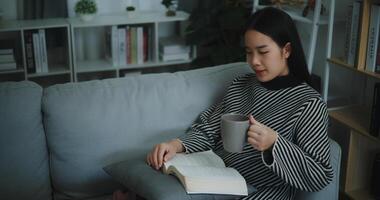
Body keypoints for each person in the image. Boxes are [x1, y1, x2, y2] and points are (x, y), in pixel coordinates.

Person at [146, 7, 333, 200]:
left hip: (263, 192)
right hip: (214, 180)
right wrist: (175, 144)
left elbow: (319, 175)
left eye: (262, 52)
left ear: (286, 50)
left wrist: (273, 144)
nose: (254, 61)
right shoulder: (240, 85)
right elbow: (208, 129)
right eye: (249, 52)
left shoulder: (309, 104)